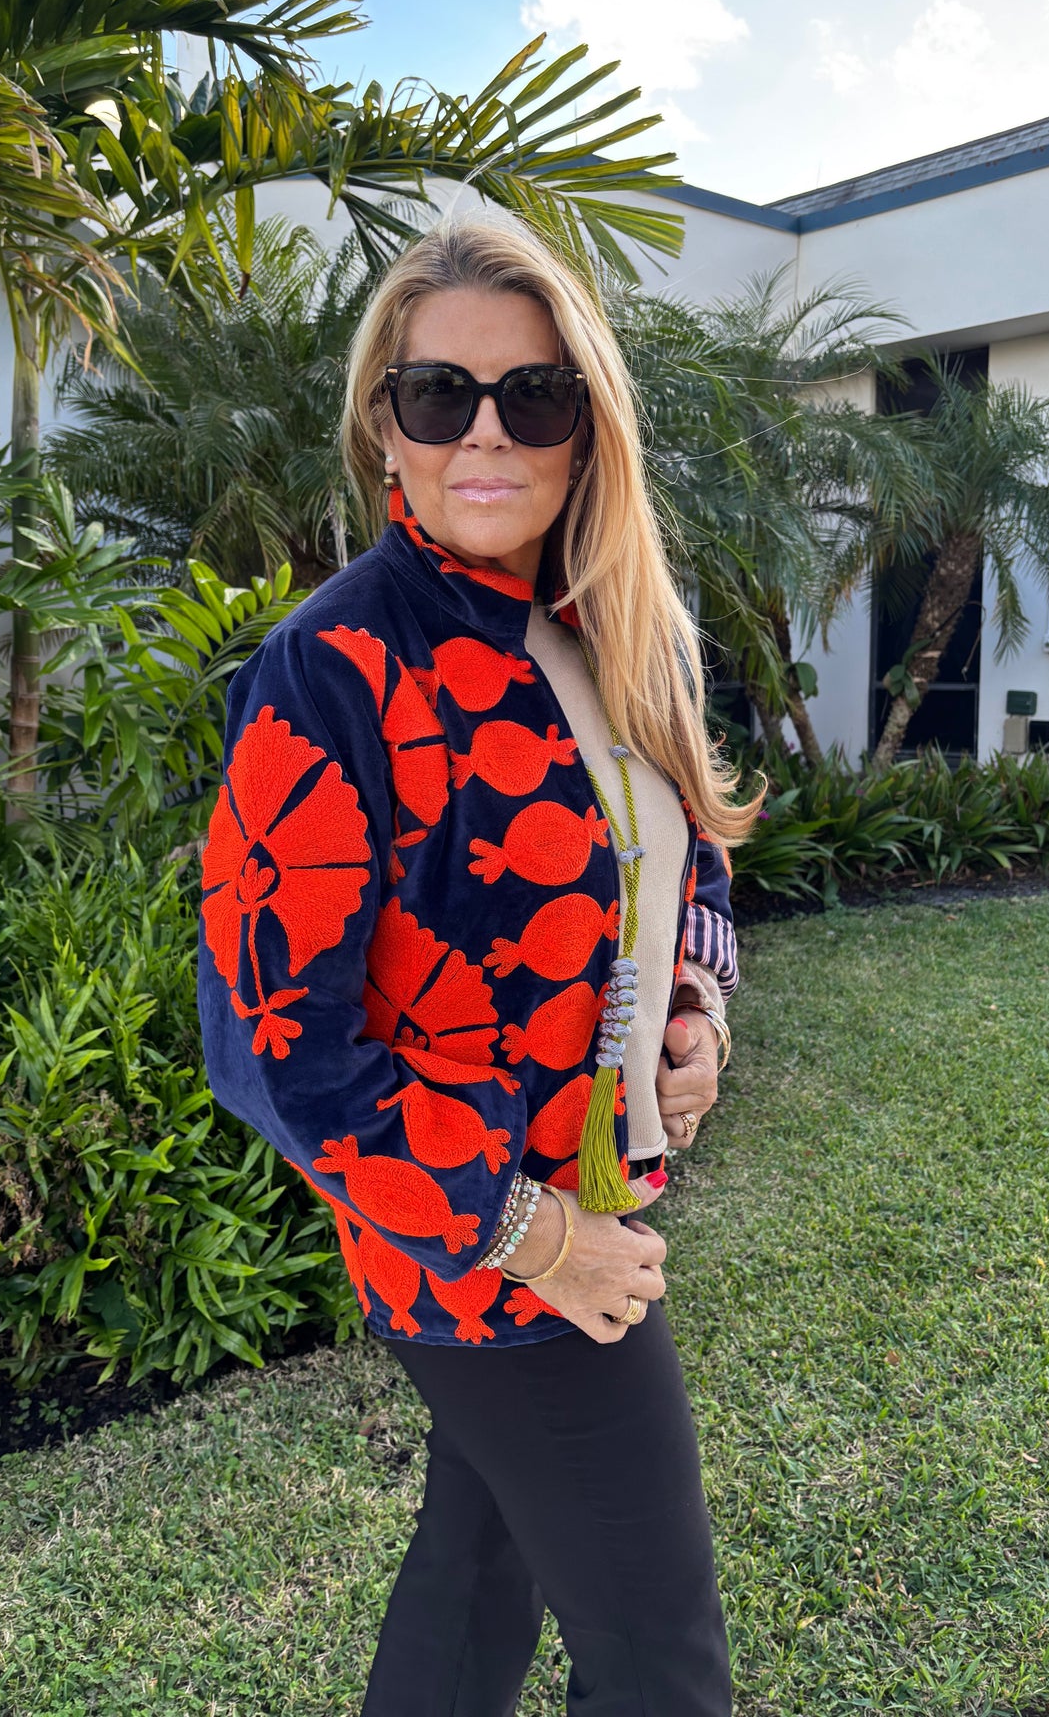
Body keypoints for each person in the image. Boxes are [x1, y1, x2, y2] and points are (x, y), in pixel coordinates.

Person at [196, 216, 765, 1716]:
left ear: (587, 426)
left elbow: (688, 867)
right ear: (385, 425)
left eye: (535, 394)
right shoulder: (332, 670)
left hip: (587, 1200)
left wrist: (696, 1012)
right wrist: (533, 1238)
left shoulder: (612, 631)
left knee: (474, 1578)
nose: (487, 433)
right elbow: (274, 1053)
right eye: (441, 394)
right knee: (661, 1661)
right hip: (490, 1260)